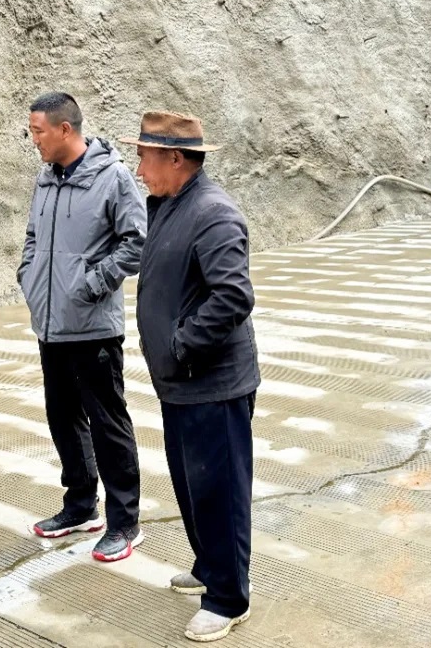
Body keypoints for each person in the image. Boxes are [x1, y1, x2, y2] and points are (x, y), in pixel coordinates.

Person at [122, 111, 260, 642]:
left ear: (175, 158)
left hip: (212, 383)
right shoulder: (169, 205)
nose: (139, 169)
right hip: (180, 381)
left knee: (219, 492)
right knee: (192, 485)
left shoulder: (213, 213)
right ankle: (209, 566)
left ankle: (227, 598)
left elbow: (233, 296)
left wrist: (181, 344)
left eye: (144, 157)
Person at [18, 92, 147, 562]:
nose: (33, 139)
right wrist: (30, 277)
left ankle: (124, 522)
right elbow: (33, 238)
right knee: (62, 417)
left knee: (108, 424)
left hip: (93, 328)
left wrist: (92, 284)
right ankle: (80, 505)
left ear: (65, 129)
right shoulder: (45, 178)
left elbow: (137, 241)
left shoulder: (112, 177)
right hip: (51, 326)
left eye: (38, 131)